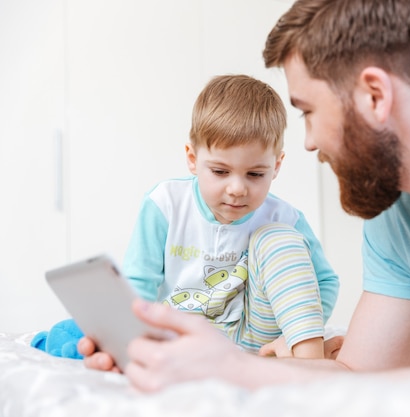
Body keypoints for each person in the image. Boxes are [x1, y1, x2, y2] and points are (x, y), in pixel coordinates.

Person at [84, 0, 410, 391]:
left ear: (374, 95)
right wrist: (211, 363)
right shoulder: (398, 215)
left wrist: (243, 370)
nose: (310, 142)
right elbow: (359, 377)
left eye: (308, 112)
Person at [64, 74, 340, 366]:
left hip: (254, 341)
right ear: (193, 159)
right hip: (178, 336)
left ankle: (309, 361)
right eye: (220, 172)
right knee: (73, 333)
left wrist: (292, 335)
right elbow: (139, 284)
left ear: (276, 166)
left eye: (256, 174)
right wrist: (135, 340)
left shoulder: (285, 218)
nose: (237, 189)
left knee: (278, 237)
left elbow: (325, 282)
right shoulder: (165, 204)